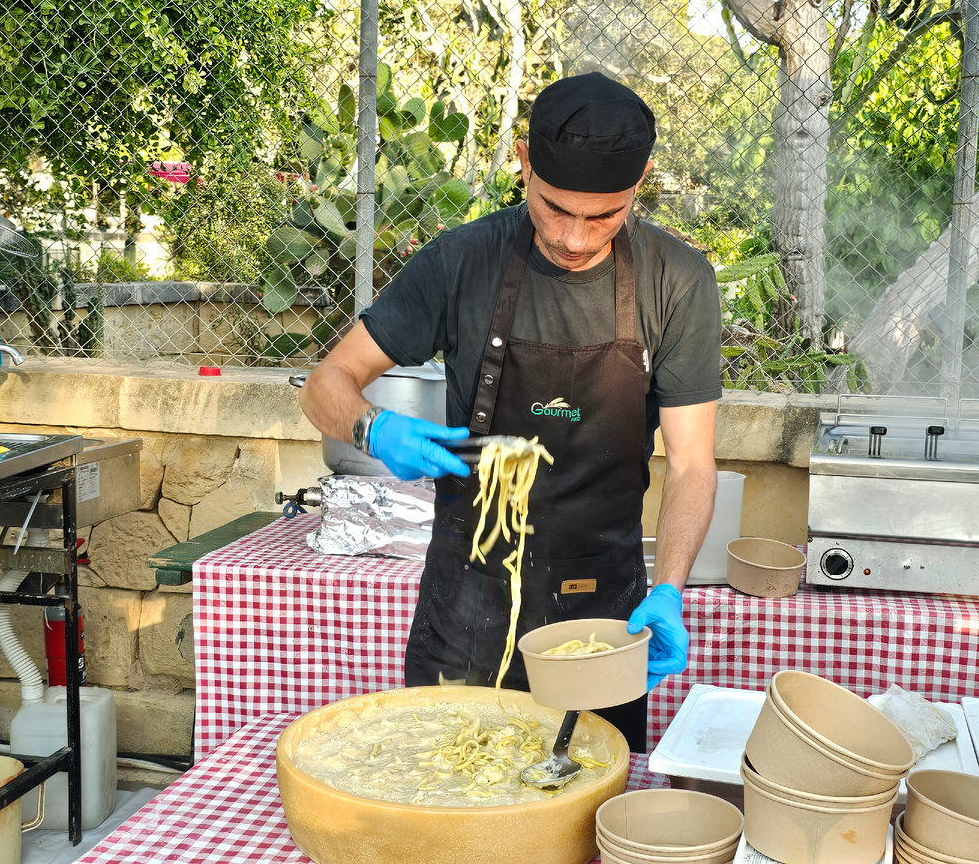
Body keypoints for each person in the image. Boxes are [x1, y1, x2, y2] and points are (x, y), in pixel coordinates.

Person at [299, 71, 721, 752]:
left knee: (584, 803)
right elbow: (327, 383)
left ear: (641, 181)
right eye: (555, 209)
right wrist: (371, 426)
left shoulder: (677, 281)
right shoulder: (463, 261)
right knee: (452, 794)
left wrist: (669, 587)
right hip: (468, 597)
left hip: (602, 613)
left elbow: (694, 464)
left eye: (603, 217)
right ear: (523, 162)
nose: (576, 239)